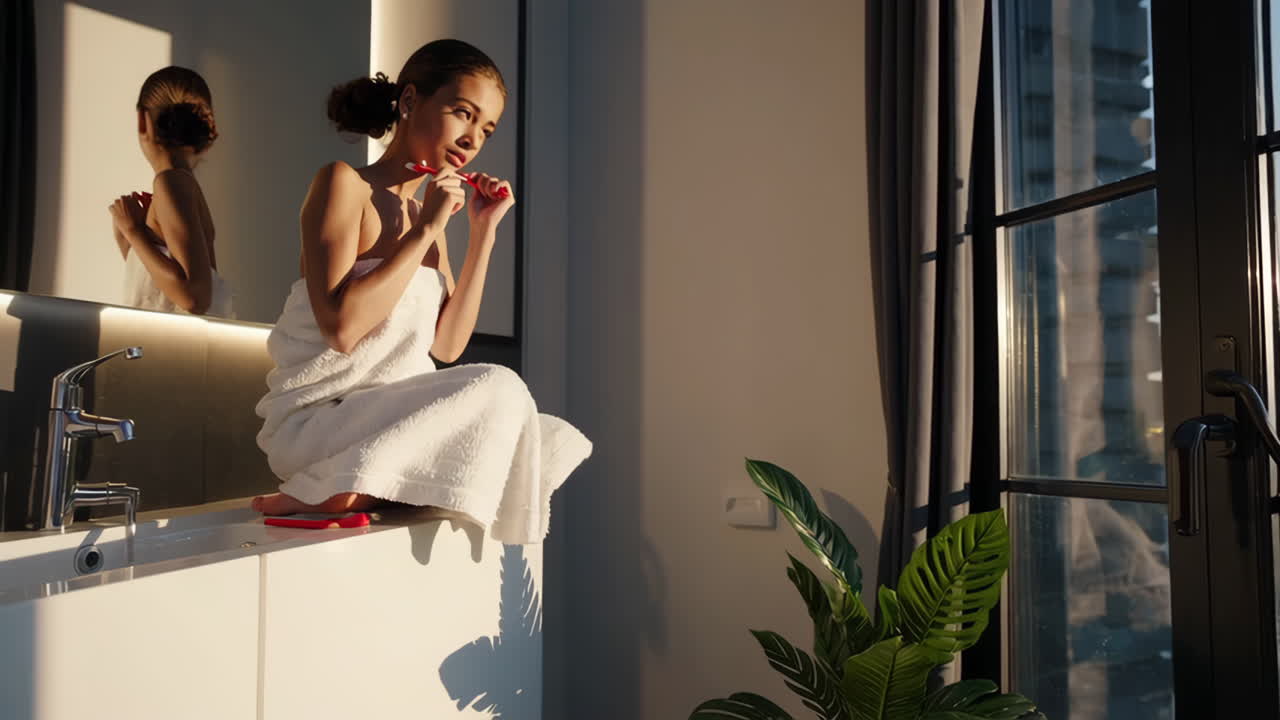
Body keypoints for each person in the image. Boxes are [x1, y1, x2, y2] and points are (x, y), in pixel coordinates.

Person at [252, 40, 591, 545]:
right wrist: (427, 229)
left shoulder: (427, 218)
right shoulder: (344, 185)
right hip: (320, 422)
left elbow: (447, 347)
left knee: (545, 433)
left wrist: (483, 233)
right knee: (499, 388)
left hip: (391, 423)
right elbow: (342, 329)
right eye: (462, 113)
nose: (473, 138)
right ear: (409, 102)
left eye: (486, 128)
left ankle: (364, 485)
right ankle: (336, 480)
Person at [109, 66, 235, 318]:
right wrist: (132, 238)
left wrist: (134, 233)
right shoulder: (181, 184)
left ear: (143, 121)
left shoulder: (170, 183)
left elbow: (194, 298)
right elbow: (162, 291)